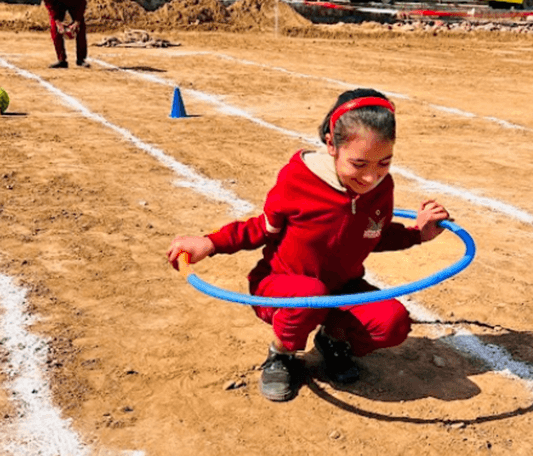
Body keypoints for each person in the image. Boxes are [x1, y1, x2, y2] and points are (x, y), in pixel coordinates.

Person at [166, 89, 450, 402]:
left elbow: (374, 233)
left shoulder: (383, 187)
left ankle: (332, 340)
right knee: (310, 296)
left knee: (393, 322)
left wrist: (417, 234)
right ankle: (282, 353)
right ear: (331, 145)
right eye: (358, 164)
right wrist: (210, 242)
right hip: (283, 287)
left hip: (341, 287)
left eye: (384, 163)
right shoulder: (298, 180)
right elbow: (262, 227)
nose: (371, 177)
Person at [41, 0, 88, 69]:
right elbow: (49, 3)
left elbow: (81, 2)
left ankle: (81, 59)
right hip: (57, 4)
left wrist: (76, 21)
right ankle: (61, 59)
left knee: (80, 27)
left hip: (73, 2)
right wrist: (57, 21)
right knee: (54, 29)